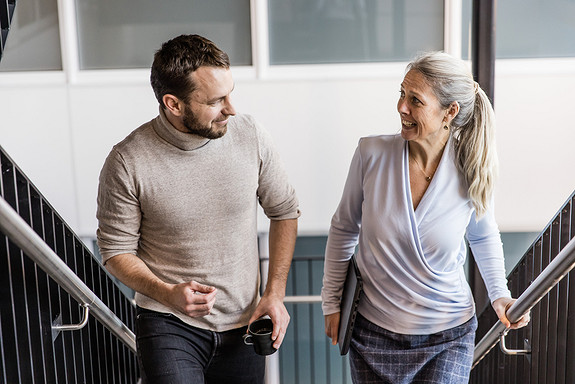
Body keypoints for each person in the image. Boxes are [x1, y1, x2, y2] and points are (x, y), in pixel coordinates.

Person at [96, 34, 300, 384]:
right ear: (173, 104)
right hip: (168, 324)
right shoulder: (127, 161)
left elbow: (284, 211)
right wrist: (166, 292)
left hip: (245, 324)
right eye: (216, 101)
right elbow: (115, 251)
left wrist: (274, 293)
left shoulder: (250, 134)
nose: (231, 109)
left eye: (230, 93)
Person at [321, 51, 530, 383]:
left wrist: (499, 295)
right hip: (372, 334)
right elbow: (344, 228)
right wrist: (331, 302)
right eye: (401, 94)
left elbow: (483, 236)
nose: (402, 107)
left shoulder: (469, 169)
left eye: (415, 100)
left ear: (450, 111)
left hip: (447, 336)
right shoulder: (370, 154)